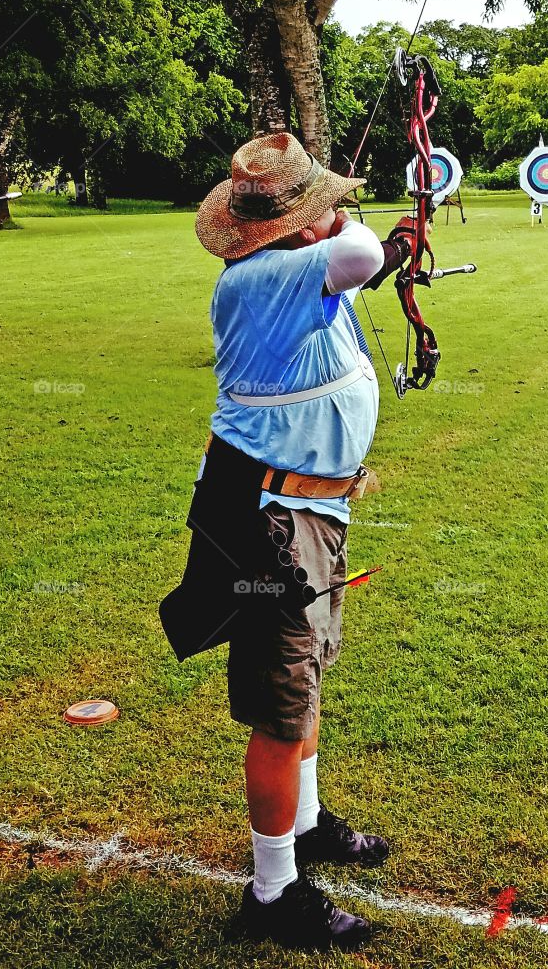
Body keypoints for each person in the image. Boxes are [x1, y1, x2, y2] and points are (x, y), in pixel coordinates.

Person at [160, 132, 415, 951]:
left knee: (305, 682)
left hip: (310, 511)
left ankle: (305, 825)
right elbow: (367, 249)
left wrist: (333, 220)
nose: (336, 211)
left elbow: (363, 258)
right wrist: (340, 221)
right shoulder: (272, 276)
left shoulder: (301, 275)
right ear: (290, 225)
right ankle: (272, 895)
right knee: (280, 708)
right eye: (320, 203)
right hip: (271, 521)